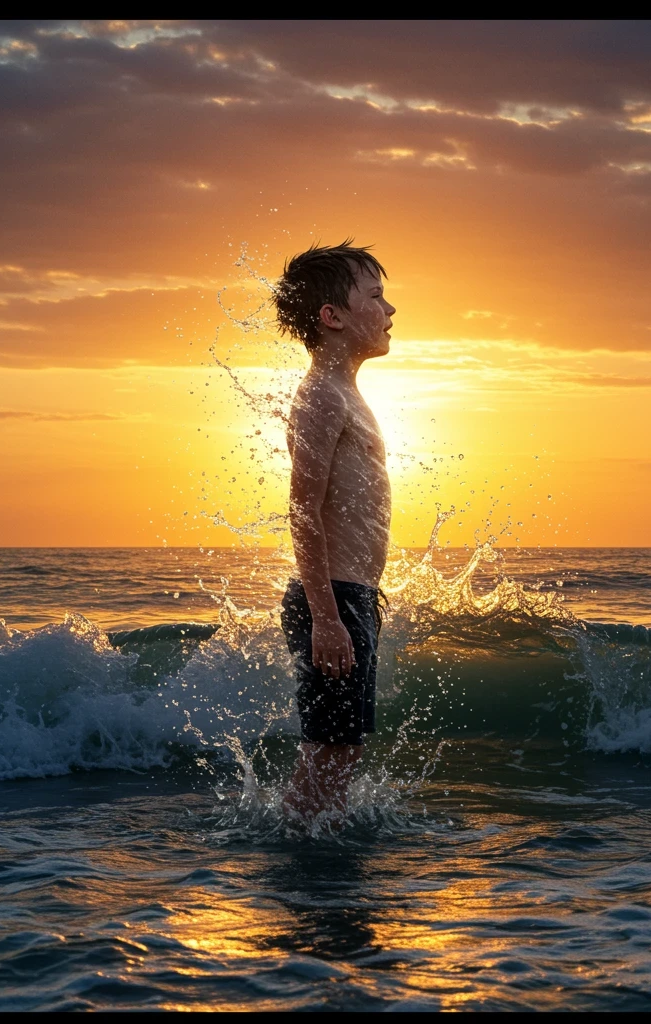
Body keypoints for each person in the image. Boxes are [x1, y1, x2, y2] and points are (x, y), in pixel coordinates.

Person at [273, 240, 396, 823]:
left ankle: (313, 866)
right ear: (333, 316)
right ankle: (298, 872)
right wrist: (326, 616)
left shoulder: (347, 392)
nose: (390, 309)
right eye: (375, 297)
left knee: (339, 753)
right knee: (331, 753)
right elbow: (302, 509)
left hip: (352, 598)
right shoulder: (321, 394)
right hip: (332, 601)